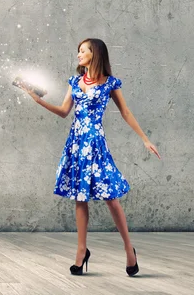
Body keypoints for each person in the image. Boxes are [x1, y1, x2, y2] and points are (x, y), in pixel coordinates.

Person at [23, 38, 161, 276]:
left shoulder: (109, 83)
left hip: (96, 143)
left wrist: (145, 139)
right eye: (78, 51)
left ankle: (129, 249)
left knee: (111, 196)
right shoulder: (75, 81)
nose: (78, 54)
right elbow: (64, 112)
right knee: (80, 196)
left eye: (83, 50)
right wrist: (39, 100)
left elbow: (125, 112)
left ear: (95, 53)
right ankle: (81, 251)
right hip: (76, 143)